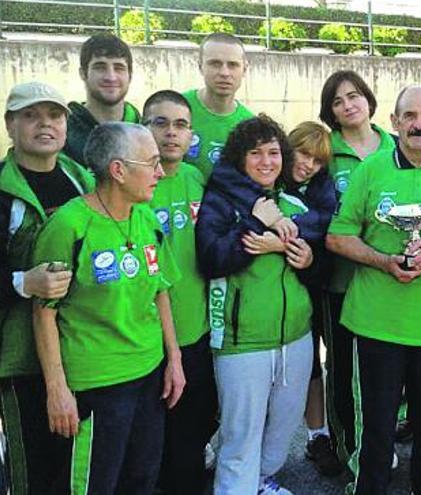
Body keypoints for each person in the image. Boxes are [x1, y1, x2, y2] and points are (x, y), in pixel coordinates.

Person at [326, 86, 421, 495]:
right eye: (409, 116)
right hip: (376, 321)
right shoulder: (372, 170)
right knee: (376, 424)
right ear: (394, 123)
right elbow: (338, 237)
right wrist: (383, 261)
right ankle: (369, 487)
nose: (419, 124)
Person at [32, 122, 185, 494]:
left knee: (142, 477)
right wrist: (57, 390)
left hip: (149, 375)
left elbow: (160, 289)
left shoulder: (144, 216)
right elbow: (44, 311)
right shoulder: (69, 225)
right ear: (118, 170)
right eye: (151, 163)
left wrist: (174, 359)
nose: (161, 172)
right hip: (98, 385)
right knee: (94, 484)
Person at [196, 114, 315, 495]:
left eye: (274, 152)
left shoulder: (291, 201)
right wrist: (255, 222)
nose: (266, 161)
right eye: (256, 153)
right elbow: (213, 257)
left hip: (295, 336)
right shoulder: (221, 202)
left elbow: (318, 244)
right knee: (240, 436)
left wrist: (297, 251)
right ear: (239, 158)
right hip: (242, 341)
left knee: (284, 424)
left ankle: (260, 482)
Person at [0, 82, 93, 494]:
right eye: (31, 115)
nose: (45, 124)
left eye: (54, 115)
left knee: (73, 464)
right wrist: (22, 282)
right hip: (18, 357)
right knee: (32, 467)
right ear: (10, 125)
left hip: (78, 350)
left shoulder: (80, 178)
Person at [318, 69, 396, 467]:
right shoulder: (325, 151)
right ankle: (346, 447)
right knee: (345, 369)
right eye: (337, 101)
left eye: (354, 95)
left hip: (390, 281)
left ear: (368, 98)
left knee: (384, 369)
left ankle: (380, 442)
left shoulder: (395, 146)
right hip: (342, 281)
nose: (348, 105)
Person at [142, 90, 217, 495]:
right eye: (160, 123)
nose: (171, 133)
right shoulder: (132, 186)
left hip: (196, 332)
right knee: (150, 448)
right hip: (146, 341)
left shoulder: (196, 179)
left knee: (193, 434)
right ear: (144, 128)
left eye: (181, 125)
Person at [282, 121, 343, 476]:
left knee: (314, 368)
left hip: (309, 289)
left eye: (317, 160)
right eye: (303, 153)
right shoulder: (268, 176)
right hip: (265, 295)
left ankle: (319, 435)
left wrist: (310, 260)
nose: (307, 164)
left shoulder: (323, 190)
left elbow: (324, 236)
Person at [184, 32, 255, 180]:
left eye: (233, 65)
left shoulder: (250, 125)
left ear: (244, 69)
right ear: (200, 67)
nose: (224, 73)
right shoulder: (178, 108)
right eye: (215, 64)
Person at [65, 34, 140, 166]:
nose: (111, 77)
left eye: (119, 68)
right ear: (83, 73)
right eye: (100, 67)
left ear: (130, 76)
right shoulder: (64, 132)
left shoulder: (144, 128)